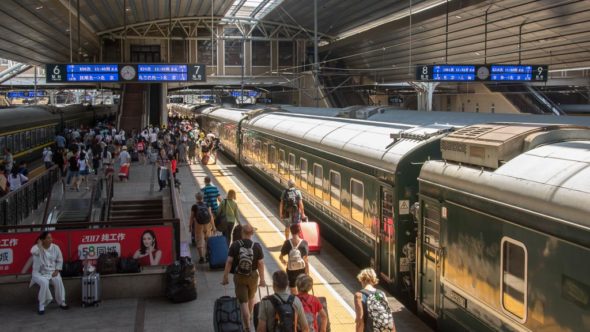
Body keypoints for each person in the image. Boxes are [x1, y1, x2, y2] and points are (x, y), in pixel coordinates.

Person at [222, 224, 266, 332]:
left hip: (239, 276)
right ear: (252, 234)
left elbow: (229, 261)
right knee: (251, 298)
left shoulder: (235, 245)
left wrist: (225, 276)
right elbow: (260, 264)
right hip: (253, 276)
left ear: (242, 233)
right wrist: (263, 279)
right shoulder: (257, 246)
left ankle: (247, 327)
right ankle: (249, 317)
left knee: (243, 302)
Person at [29, 231, 69, 315]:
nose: (51, 239)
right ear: (42, 240)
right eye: (48, 238)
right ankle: (41, 305)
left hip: (52, 271)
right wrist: (40, 245)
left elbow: (60, 260)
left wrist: (57, 270)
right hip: (38, 273)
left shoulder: (55, 247)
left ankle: (61, 302)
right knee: (44, 283)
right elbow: (34, 252)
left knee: (58, 280)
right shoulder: (35, 247)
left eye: (51, 237)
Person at [354, 268, 395, 332]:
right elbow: (388, 315)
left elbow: (360, 320)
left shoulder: (359, 295)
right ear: (373, 280)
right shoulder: (379, 294)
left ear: (361, 279)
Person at [279, 223, 309, 294]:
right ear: (299, 232)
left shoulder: (287, 243)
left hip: (291, 270)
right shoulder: (304, 243)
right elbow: (306, 260)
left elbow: (280, 257)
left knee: (293, 290)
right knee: (301, 288)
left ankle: (294, 302)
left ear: (291, 232)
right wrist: (307, 272)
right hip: (301, 269)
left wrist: (283, 261)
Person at [189, 192, 213, 264]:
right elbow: (211, 216)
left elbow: (191, 217)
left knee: (199, 240)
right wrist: (214, 227)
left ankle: (201, 258)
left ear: (196, 198)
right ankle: (207, 255)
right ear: (203, 197)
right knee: (207, 240)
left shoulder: (194, 206)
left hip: (198, 225)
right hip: (207, 224)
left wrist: (190, 226)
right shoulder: (207, 204)